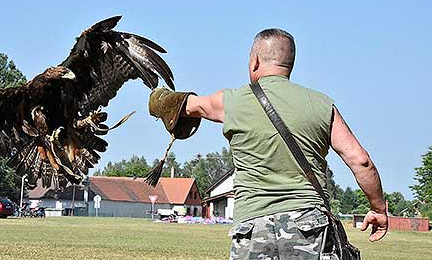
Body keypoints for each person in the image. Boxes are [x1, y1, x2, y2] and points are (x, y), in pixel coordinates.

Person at [149, 29, 388, 259]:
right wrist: (378, 209)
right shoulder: (322, 105)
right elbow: (361, 161)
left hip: (252, 228)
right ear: (289, 64)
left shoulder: (232, 101)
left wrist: (157, 98)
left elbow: (186, 106)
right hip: (309, 225)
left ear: (254, 61)